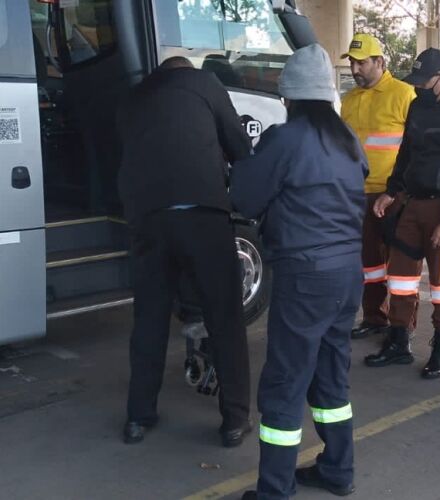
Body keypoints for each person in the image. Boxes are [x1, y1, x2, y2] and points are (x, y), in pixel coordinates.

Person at [232, 44, 366, 500]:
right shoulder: (348, 141)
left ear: (288, 98)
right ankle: (338, 469)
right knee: (331, 374)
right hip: (348, 274)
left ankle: (273, 491)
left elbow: (245, 199)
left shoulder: (284, 140)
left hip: (306, 275)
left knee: (285, 382)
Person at [116, 56, 251, 447]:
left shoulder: (133, 97)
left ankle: (138, 417)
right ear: (187, 71)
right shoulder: (205, 83)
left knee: (150, 319)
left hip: (148, 220)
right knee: (225, 316)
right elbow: (239, 147)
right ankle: (234, 420)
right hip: (202, 216)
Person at [365, 48, 440, 378]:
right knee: (401, 280)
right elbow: (406, 153)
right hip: (412, 203)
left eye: (424, 82)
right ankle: (399, 341)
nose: (418, 88)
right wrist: (391, 191)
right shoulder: (419, 106)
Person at [340, 33, 417, 340]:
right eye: (353, 64)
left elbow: (416, 148)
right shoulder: (349, 100)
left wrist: (398, 191)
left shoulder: (404, 94)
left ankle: (402, 328)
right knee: (369, 264)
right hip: (358, 195)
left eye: (362, 63)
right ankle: (374, 318)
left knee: (401, 268)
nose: (356, 70)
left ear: (380, 62)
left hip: (394, 195)